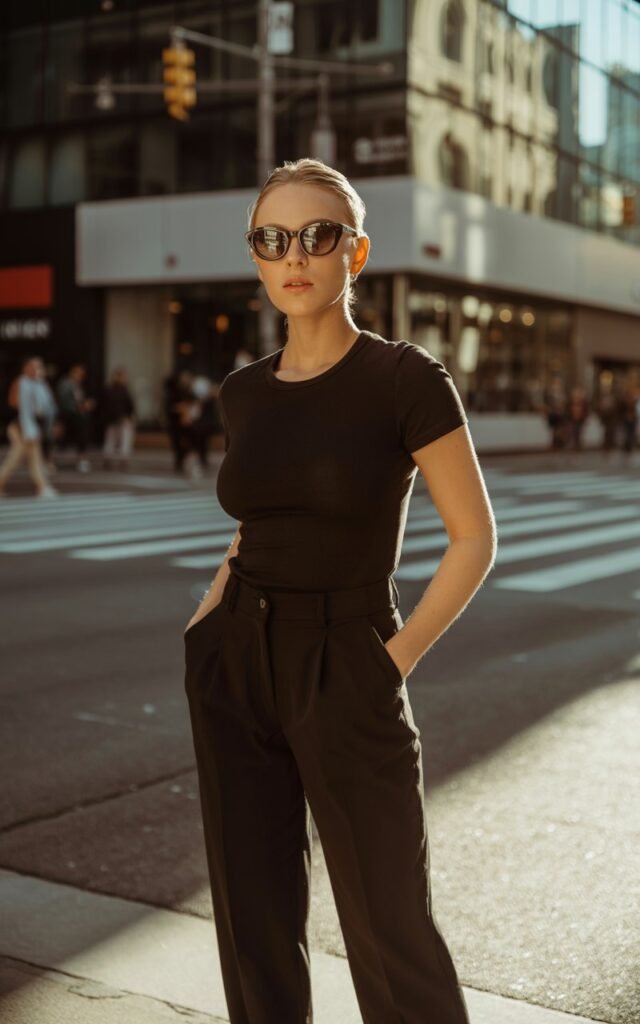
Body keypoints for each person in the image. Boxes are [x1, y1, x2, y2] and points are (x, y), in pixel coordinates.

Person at [182, 158, 496, 1024]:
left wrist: (388, 662)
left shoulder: (404, 379)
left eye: (318, 236)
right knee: (253, 920)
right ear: (256, 256)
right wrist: (208, 622)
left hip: (347, 655)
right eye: (272, 239)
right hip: (237, 654)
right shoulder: (243, 393)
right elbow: (253, 523)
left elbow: (475, 540)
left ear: (354, 254)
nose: (296, 255)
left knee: (391, 927)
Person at [0, 356, 58, 498]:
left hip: (33, 427)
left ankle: (42, 487)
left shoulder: (41, 385)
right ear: (25, 368)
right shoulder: (21, 382)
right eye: (32, 366)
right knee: (20, 459)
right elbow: (15, 404)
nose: (36, 369)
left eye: (38, 366)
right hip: (20, 427)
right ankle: (42, 487)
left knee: (31, 459)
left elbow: (49, 407)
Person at [55, 363, 96, 472]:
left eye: (82, 374)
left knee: (80, 439)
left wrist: (85, 405)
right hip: (69, 417)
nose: (80, 376)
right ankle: (52, 461)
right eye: (78, 373)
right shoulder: (66, 384)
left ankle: (81, 460)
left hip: (78, 418)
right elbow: (65, 401)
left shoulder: (78, 385)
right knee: (62, 440)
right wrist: (81, 407)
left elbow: (79, 400)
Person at [102, 366, 136, 470]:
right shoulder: (111, 390)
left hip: (123, 419)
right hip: (113, 419)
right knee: (111, 439)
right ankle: (108, 457)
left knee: (124, 439)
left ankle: (123, 458)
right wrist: (119, 416)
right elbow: (108, 406)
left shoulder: (124, 389)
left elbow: (130, 405)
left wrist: (129, 416)